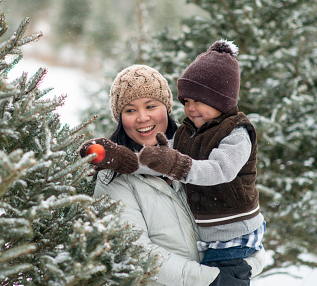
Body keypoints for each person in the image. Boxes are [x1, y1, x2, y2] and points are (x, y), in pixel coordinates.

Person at [79, 64, 265, 285]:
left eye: (151, 106)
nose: (142, 117)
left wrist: (247, 267)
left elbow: (244, 232)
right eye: (130, 110)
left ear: (166, 108)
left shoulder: (199, 153)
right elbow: (135, 251)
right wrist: (212, 279)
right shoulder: (114, 178)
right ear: (120, 119)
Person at [138, 40, 265, 285]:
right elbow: (158, 160)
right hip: (206, 236)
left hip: (233, 237)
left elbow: (220, 170)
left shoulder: (237, 133)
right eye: (185, 101)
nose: (190, 108)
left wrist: (178, 166)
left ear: (221, 100)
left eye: (198, 101)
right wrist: (123, 160)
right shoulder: (188, 133)